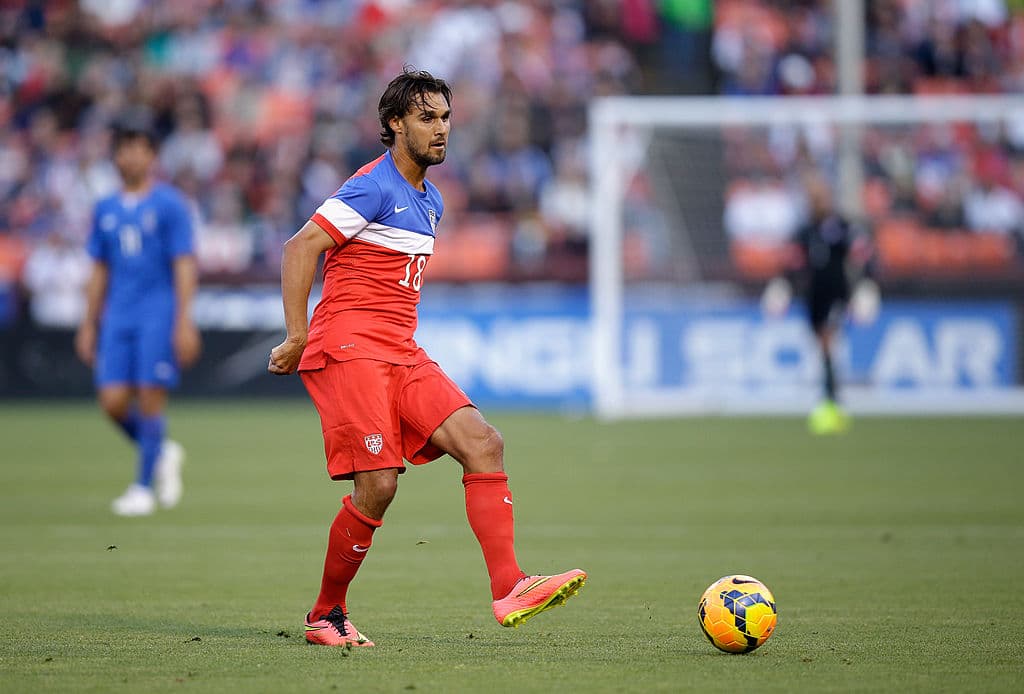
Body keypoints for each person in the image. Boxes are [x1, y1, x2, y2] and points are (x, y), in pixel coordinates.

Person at [268, 68, 586, 648]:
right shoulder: (372, 185)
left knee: (484, 442)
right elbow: (300, 247)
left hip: (400, 350)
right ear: (395, 125)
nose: (441, 130)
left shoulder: (430, 198)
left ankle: (510, 585)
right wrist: (296, 334)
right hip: (350, 347)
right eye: (426, 118)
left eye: (445, 118)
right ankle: (325, 614)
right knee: (380, 485)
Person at [75, 112, 201, 516]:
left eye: (138, 148)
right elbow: (98, 268)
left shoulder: (169, 204)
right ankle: (161, 450)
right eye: (123, 149)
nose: (130, 156)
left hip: (156, 313)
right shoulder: (105, 207)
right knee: (112, 401)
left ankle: (142, 488)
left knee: (150, 397)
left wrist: (183, 319)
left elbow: (184, 263)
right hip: (117, 315)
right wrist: (88, 322)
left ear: (152, 155)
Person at [762, 176, 877, 434]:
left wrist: (865, 286)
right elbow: (792, 263)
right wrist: (782, 286)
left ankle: (830, 404)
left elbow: (863, 255)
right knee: (823, 347)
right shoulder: (804, 231)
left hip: (837, 294)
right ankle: (831, 401)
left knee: (827, 343)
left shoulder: (842, 227)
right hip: (814, 296)